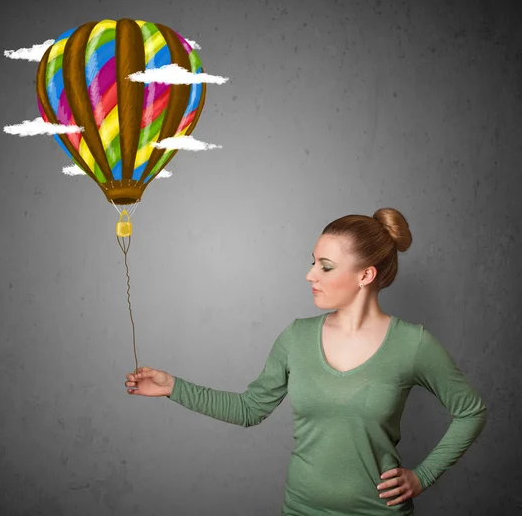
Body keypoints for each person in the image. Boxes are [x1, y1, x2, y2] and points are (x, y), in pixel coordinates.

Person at [124, 207, 488, 516]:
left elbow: (471, 411)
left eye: (326, 267)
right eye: (312, 262)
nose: (310, 275)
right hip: (301, 510)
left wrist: (422, 476)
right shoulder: (296, 337)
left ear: (366, 275)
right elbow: (250, 409)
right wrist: (174, 387)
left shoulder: (412, 344)